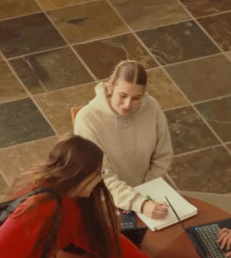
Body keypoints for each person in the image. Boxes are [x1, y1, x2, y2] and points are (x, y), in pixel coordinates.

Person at [0, 135, 189, 258]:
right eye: (97, 173)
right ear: (78, 175)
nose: (100, 178)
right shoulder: (43, 205)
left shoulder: (67, 198)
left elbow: (105, 241)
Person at [74, 60, 173, 220]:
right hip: (105, 199)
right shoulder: (87, 119)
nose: (128, 104)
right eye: (123, 95)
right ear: (110, 86)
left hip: (148, 193)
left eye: (136, 98)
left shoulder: (152, 108)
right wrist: (139, 203)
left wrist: (145, 192)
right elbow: (100, 175)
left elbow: (163, 156)